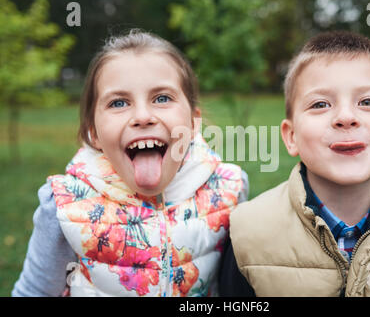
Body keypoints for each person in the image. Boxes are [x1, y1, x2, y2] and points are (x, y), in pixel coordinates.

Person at [12, 29, 248, 297]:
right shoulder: (64, 205)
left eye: (161, 98)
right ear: (94, 133)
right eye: (119, 102)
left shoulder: (228, 188)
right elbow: (33, 292)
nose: (143, 116)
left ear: (193, 124)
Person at [219, 30, 370, 297]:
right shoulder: (248, 233)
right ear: (291, 136)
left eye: (367, 101)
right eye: (320, 104)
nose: (345, 117)